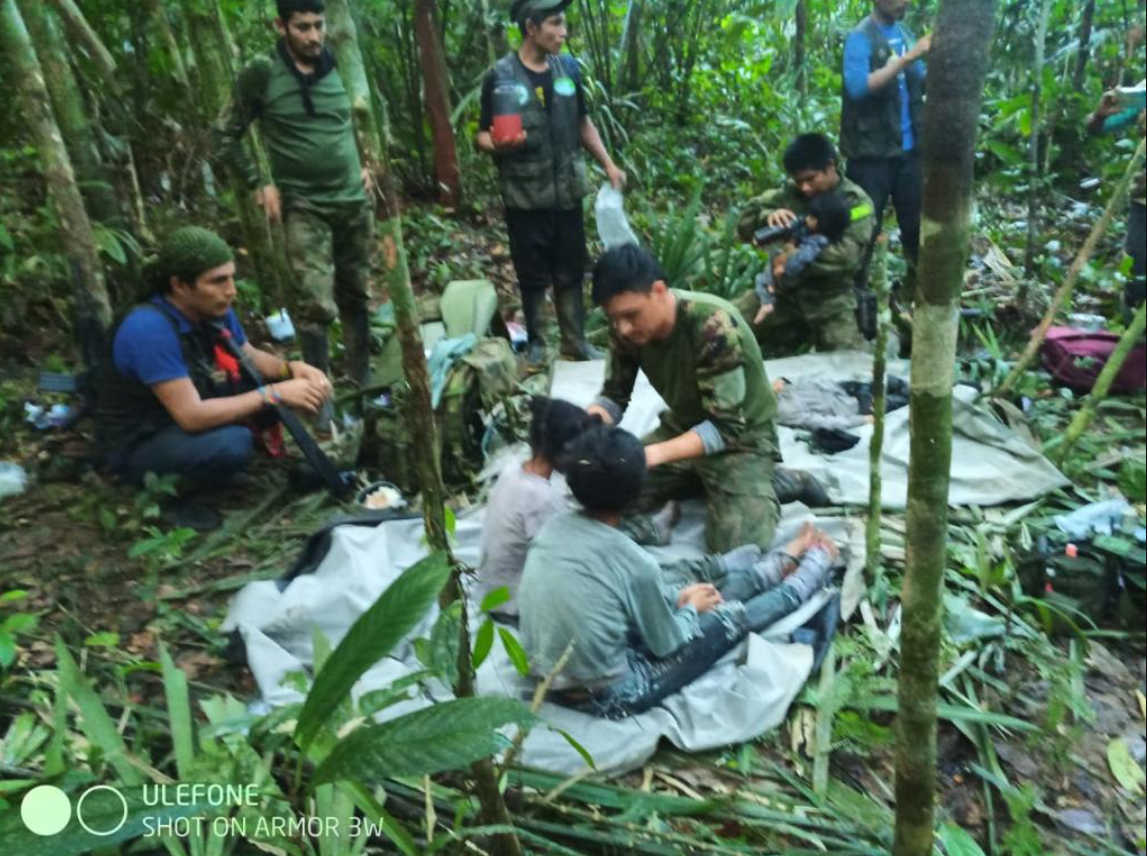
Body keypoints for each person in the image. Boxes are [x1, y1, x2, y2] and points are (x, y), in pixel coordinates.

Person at [518, 426, 838, 719]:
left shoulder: (551, 530)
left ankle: (774, 567)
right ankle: (806, 574)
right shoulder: (633, 562)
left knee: (694, 590)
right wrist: (687, 611)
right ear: (635, 493)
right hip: (609, 694)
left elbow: (615, 593)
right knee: (728, 620)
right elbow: (666, 645)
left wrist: (680, 600)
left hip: (552, 678)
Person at [587, 245, 828, 555]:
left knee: (739, 549)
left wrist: (649, 455)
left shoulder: (711, 324)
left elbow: (725, 428)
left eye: (630, 315)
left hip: (742, 438)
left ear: (658, 291)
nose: (623, 328)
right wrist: (590, 422)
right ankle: (701, 481)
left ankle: (781, 483)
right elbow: (614, 395)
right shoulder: (627, 327)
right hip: (683, 427)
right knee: (602, 492)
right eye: (614, 318)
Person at [96, 227, 332, 530]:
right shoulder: (148, 329)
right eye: (218, 281)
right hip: (142, 440)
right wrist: (276, 393)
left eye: (231, 277)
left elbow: (247, 355)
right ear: (179, 285)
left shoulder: (212, 307)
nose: (231, 290)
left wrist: (290, 369)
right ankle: (167, 495)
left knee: (260, 390)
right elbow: (191, 416)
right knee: (232, 443)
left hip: (186, 407)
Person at [214, 0, 373, 431]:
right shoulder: (262, 72)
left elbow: (364, 116)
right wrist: (258, 184)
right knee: (314, 304)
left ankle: (364, 383)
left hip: (353, 201)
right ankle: (319, 398)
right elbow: (225, 133)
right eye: (302, 27)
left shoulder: (341, 60)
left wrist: (367, 159)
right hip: (303, 204)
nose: (313, 36)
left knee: (357, 292)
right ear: (280, 25)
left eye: (318, 25)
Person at [476, 0, 626, 368]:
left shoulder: (569, 70)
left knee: (570, 268)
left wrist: (608, 163)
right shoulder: (500, 76)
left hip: (567, 192)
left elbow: (582, 123)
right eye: (556, 24)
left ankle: (574, 342)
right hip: (525, 195)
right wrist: (496, 143)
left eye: (564, 24)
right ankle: (538, 344)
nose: (564, 32)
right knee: (532, 273)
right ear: (532, 28)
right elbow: (480, 135)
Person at [735, 134, 876, 354]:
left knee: (852, 368)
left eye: (811, 179)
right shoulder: (790, 192)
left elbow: (845, 257)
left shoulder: (855, 202)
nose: (805, 188)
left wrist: (790, 256)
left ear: (830, 166)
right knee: (723, 328)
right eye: (799, 181)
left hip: (830, 301)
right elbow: (743, 227)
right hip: (782, 295)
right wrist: (768, 216)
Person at [475, 396, 599, 618]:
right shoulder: (543, 498)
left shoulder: (512, 470)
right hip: (511, 605)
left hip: (488, 592)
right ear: (565, 451)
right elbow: (564, 560)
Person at [841, 0, 930, 302]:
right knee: (864, 227)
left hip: (909, 153)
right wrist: (905, 60)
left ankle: (914, 294)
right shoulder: (860, 37)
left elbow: (921, 78)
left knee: (915, 225)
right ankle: (858, 299)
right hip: (870, 157)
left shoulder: (904, 33)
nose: (904, 1)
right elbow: (858, 87)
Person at [1086, 85, 1146, 312]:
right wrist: (1100, 114)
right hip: (1144, 198)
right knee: (1138, 274)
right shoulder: (1142, 93)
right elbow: (1096, 128)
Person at [751, 192, 852, 325]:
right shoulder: (810, 230)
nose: (807, 218)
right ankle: (770, 288)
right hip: (786, 271)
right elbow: (798, 228)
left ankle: (767, 303)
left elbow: (801, 259)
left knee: (761, 279)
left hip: (790, 275)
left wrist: (784, 268)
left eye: (811, 217)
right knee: (772, 259)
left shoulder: (816, 242)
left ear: (820, 222)